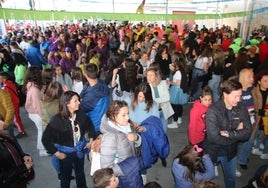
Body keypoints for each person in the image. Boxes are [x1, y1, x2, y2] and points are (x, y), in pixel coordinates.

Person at [42, 91, 96, 188]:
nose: (79, 102)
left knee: (80, 172)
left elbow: (90, 126)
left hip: (79, 150)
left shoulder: (80, 114)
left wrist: (91, 140)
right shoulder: (57, 120)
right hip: (65, 153)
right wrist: (57, 153)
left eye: (78, 100)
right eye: (75, 101)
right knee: (65, 176)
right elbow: (45, 139)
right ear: (67, 103)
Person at [205, 80, 252, 188]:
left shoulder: (241, 107)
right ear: (225, 94)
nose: (239, 99)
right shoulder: (213, 110)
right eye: (236, 96)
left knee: (230, 178)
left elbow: (248, 132)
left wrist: (229, 134)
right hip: (213, 151)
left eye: (240, 96)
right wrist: (238, 131)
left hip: (231, 152)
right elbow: (213, 137)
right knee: (208, 179)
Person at [99, 100, 143, 188]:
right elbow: (107, 168)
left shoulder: (126, 125)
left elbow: (136, 145)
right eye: (123, 115)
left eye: (128, 113)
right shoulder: (110, 138)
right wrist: (129, 168)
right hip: (124, 178)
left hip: (133, 171)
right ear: (113, 116)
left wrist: (136, 138)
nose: (128, 117)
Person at [23, 66, 47, 156]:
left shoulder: (32, 85)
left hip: (33, 112)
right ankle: (42, 150)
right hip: (37, 113)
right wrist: (43, 116)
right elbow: (37, 106)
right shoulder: (34, 90)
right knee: (41, 131)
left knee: (41, 130)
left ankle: (43, 148)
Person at [80, 63, 110, 134]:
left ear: (85, 75)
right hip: (103, 121)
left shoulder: (92, 95)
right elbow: (82, 93)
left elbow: (80, 108)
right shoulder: (101, 83)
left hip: (94, 125)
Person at [237, 68, 255, 169]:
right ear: (242, 78)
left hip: (251, 123)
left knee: (248, 142)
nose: (252, 79)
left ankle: (242, 159)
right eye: (249, 77)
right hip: (238, 125)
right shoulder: (235, 91)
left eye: (252, 76)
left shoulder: (253, 90)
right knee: (236, 146)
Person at [146, 66, 174, 133]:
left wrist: (155, 101)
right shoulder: (146, 87)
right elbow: (149, 101)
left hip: (164, 110)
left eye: (151, 75)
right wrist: (161, 100)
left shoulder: (163, 83)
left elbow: (167, 98)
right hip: (153, 112)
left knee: (164, 131)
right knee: (155, 130)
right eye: (147, 75)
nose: (148, 77)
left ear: (156, 76)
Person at [0, 71, 26, 138]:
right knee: (17, 117)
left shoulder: (5, 88)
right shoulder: (10, 83)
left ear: (4, 79)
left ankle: (22, 131)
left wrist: (6, 123)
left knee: (16, 119)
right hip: (16, 101)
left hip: (13, 103)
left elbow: (7, 101)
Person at [167, 57, 188, 128]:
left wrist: (170, 82)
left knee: (174, 106)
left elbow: (178, 83)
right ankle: (179, 118)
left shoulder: (178, 72)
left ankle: (174, 122)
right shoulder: (183, 71)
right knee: (179, 105)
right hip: (181, 90)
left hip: (177, 90)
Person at [251, 72, 268, 159]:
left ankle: (257, 146)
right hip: (257, 118)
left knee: (263, 133)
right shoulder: (254, 92)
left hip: (264, 119)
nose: (267, 83)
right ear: (259, 82)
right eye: (265, 81)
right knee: (253, 135)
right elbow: (255, 108)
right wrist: (264, 112)